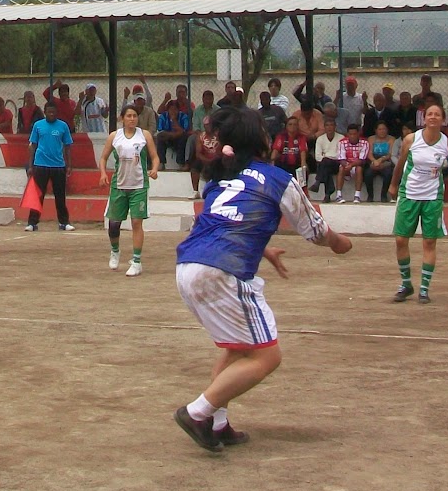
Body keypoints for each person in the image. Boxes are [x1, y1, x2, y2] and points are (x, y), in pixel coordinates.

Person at [171, 105, 352, 452]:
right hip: (222, 271)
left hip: (190, 266)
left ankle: (217, 423)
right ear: (260, 141)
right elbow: (315, 231)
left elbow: (219, 222)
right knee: (267, 357)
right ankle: (197, 412)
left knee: (238, 348)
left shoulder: (221, 177)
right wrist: (338, 242)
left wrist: (263, 250)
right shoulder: (277, 178)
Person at [392, 103, 448, 305]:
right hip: (409, 193)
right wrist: (393, 185)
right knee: (401, 239)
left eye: (437, 114)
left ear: (443, 120)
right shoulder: (411, 139)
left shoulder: (447, 144)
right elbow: (400, 163)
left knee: (429, 242)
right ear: (424, 119)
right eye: (429, 114)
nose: (433, 117)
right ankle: (406, 283)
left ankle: (424, 288)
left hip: (433, 196)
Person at [99, 105, 159, 276]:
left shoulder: (144, 135)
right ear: (122, 118)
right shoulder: (114, 136)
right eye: (129, 116)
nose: (132, 119)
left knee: (136, 222)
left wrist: (154, 169)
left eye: (134, 116)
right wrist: (103, 173)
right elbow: (103, 158)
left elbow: (154, 157)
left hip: (139, 185)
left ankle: (137, 261)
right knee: (114, 224)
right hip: (119, 184)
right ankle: (115, 250)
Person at [25, 102, 74, 232]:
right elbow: (32, 146)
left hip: (58, 165)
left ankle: (64, 222)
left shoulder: (63, 126)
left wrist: (69, 165)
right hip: (40, 164)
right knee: (38, 195)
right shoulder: (38, 125)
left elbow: (67, 147)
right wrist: (30, 165)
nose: (51, 114)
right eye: (49, 112)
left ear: (56, 112)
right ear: (45, 112)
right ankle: (32, 223)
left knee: (60, 195)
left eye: (53, 112)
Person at [157, 87, 193, 168]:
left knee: (184, 137)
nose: (173, 111)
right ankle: (161, 162)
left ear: (178, 110)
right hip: (167, 137)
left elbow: (184, 131)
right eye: (171, 109)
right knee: (160, 137)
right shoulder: (163, 116)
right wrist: (172, 134)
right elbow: (160, 130)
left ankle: (180, 163)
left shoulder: (183, 116)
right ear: (168, 110)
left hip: (178, 139)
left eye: (175, 109)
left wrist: (174, 121)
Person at [271, 115, 310, 183]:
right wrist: (272, 163)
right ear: (286, 126)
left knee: (304, 171)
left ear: (298, 126)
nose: (292, 126)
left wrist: (303, 164)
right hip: (283, 165)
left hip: (297, 165)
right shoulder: (281, 137)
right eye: (290, 124)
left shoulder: (301, 137)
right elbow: (275, 151)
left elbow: (303, 151)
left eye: (295, 124)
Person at [337, 124, 368, 203]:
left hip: (357, 166)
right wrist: (347, 165)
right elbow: (341, 158)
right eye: (350, 134)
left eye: (354, 134)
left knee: (359, 169)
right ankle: (338, 195)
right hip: (346, 165)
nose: (352, 136)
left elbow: (362, 160)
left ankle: (357, 196)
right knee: (341, 168)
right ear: (347, 134)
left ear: (358, 134)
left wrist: (351, 165)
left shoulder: (364, 143)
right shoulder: (342, 142)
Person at [314, 119, 343, 202]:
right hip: (325, 164)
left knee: (325, 162)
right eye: (327, 125)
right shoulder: (320, 139)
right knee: (326, 168)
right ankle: (327, 194)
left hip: (337, 164)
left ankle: (318, 181)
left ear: (335, 127)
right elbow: (318, 156)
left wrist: (327, 157)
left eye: (331, 125)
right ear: (324, 127)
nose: (329, 127)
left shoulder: (341, 138)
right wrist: (327, 158)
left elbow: (340, 155)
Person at [365, 122, 395, 201]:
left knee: (388, 174)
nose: (382, 131)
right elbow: (369, 153)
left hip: (386, 161)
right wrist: (374, 161)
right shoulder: (371, 139)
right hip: (374, 161)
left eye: (384, 129)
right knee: (368, 174)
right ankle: (370, 195)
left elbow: (390, 154)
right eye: (380, 129)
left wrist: (381, 160)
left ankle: (384, 195)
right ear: (376, 130)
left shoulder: (391, 139)